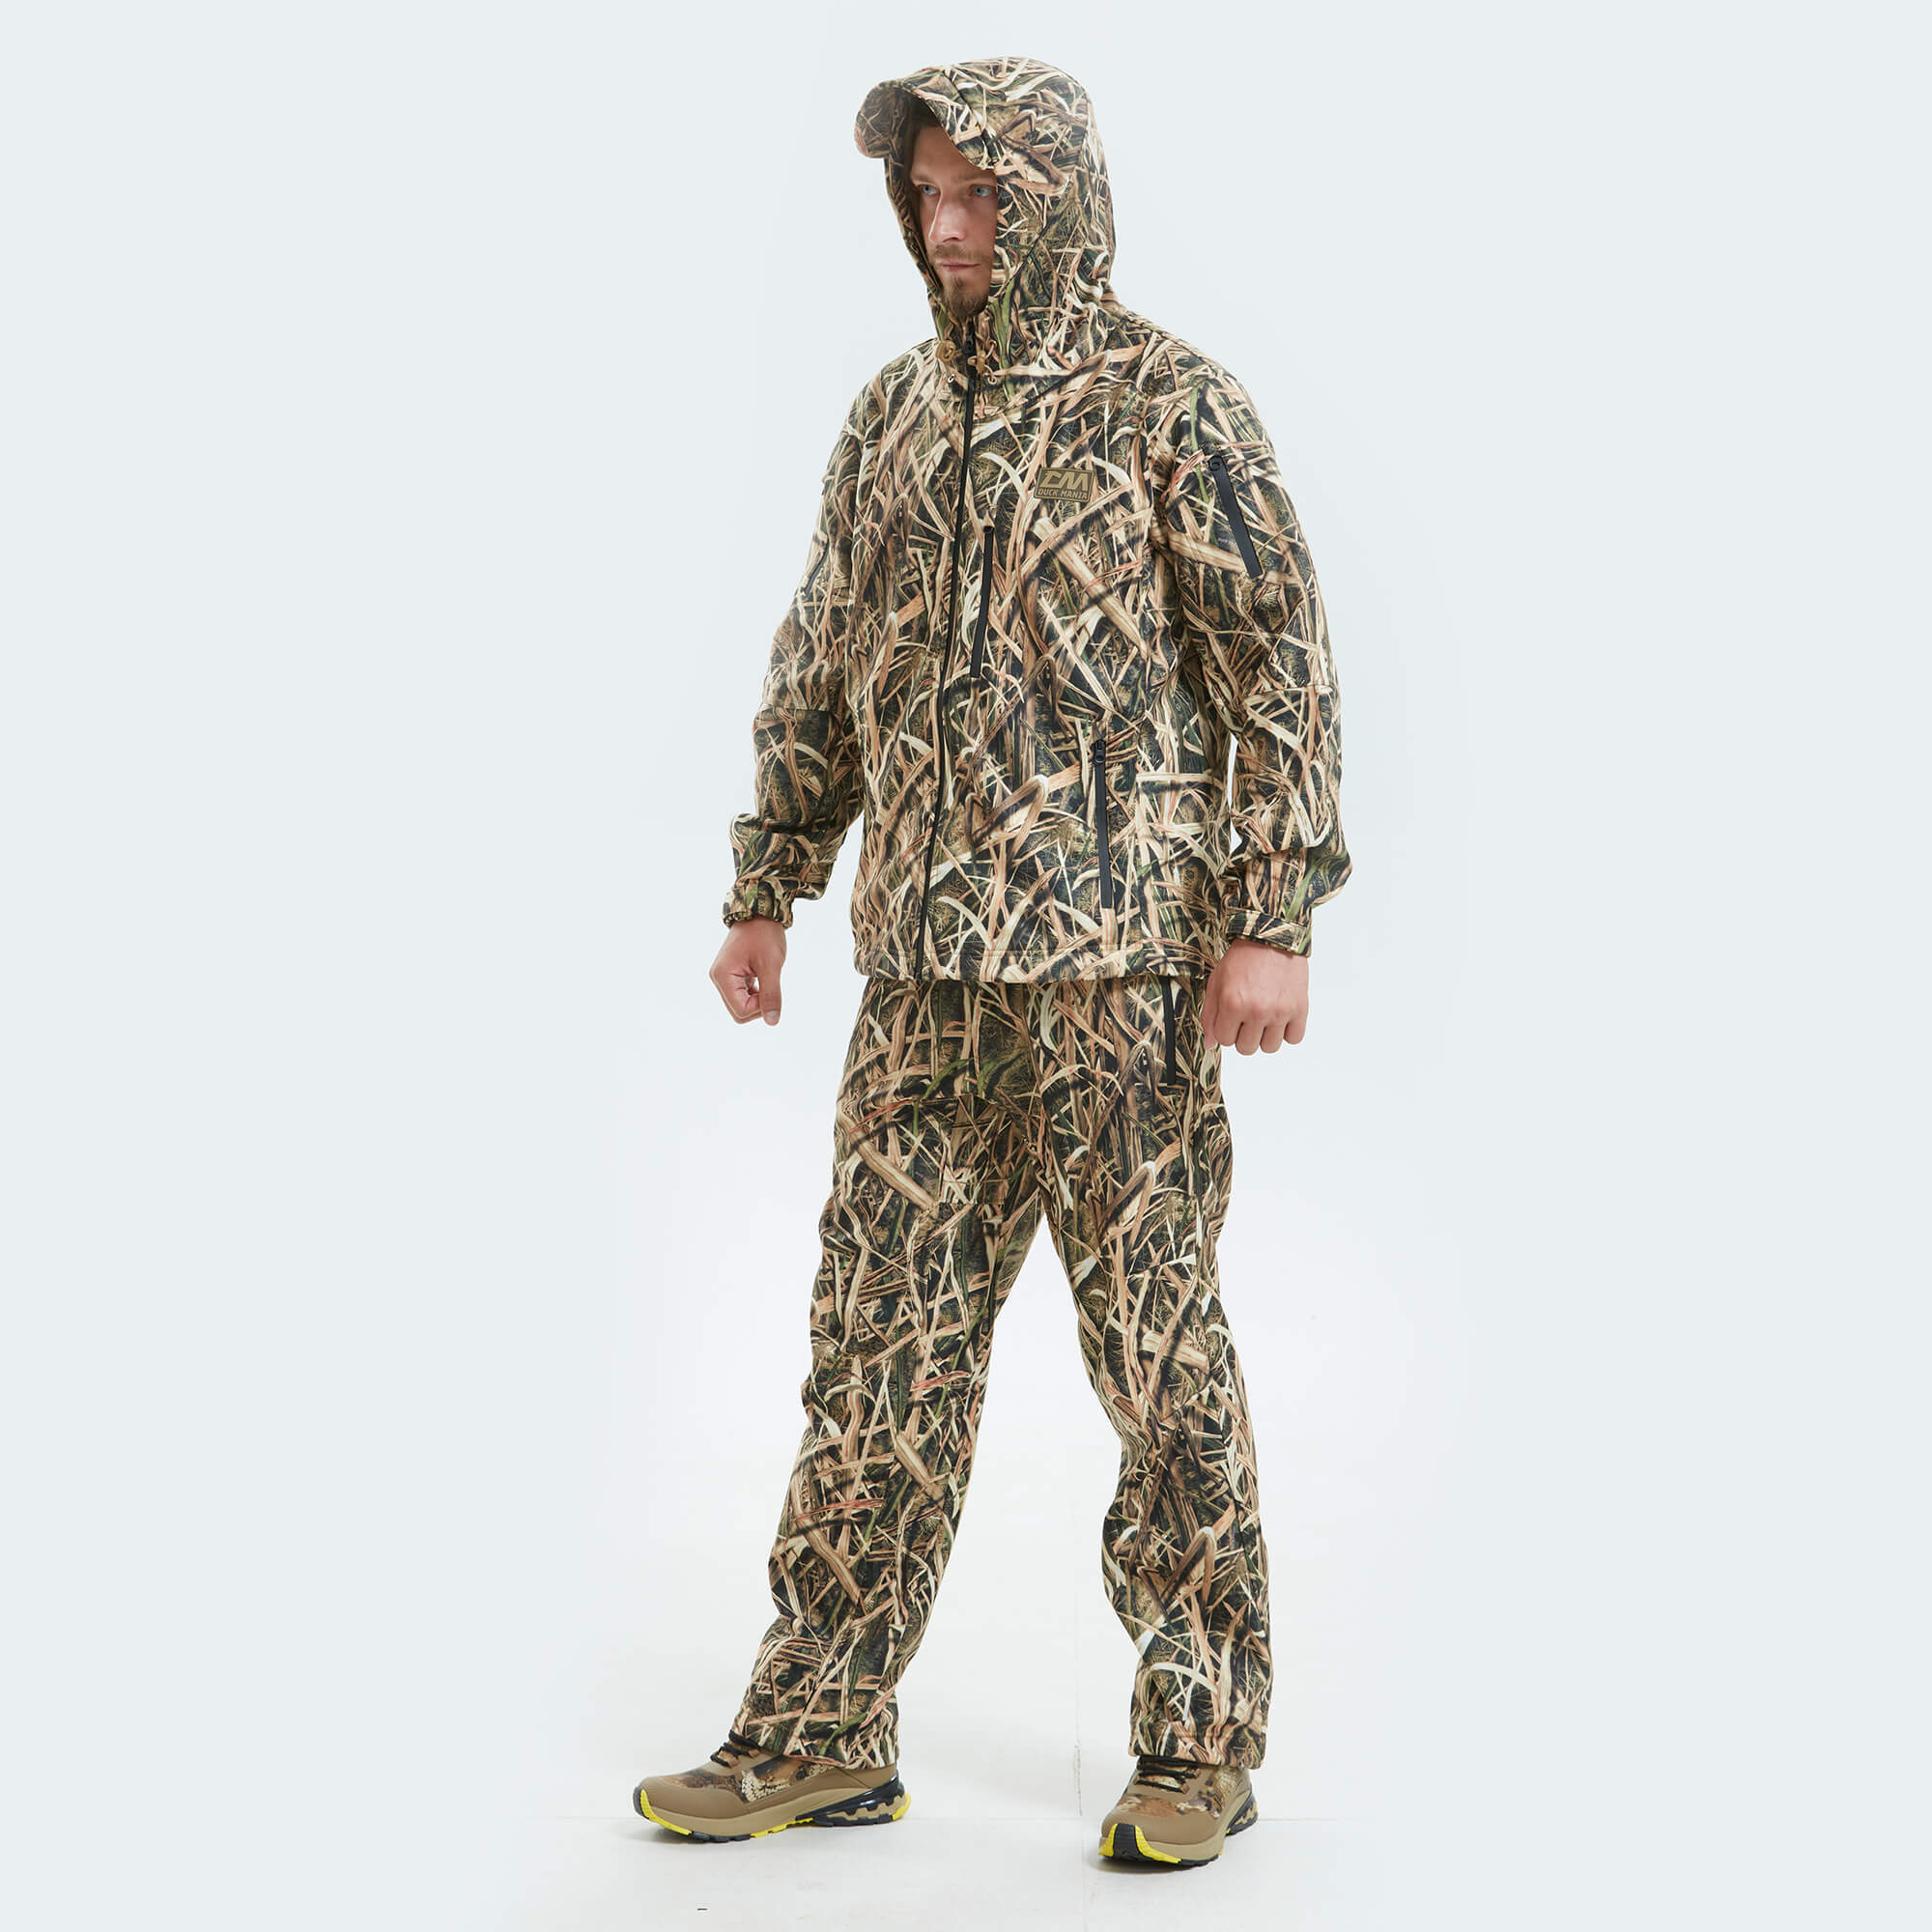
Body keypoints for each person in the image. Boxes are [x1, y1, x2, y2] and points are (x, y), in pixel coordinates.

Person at [632, 55, 1350, 1870]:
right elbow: (823, 655)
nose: (949, 228)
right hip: (925, 981)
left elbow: (1276, 661)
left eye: (981, 196)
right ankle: (818, 1729)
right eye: (927, 198)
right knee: (873, 1350)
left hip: (1120, 976)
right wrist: (769, 880)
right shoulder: (893, 416)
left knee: (1157, 1358)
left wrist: (1271, 916)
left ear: (1056, 199)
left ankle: (1200, 1741)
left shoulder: (1171, 404)